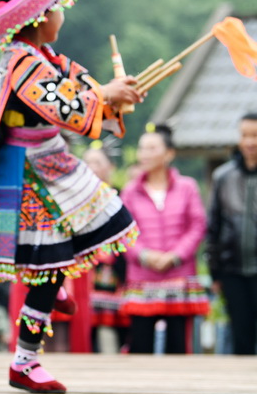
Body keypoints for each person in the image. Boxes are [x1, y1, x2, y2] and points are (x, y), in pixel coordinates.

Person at [0, 0, 142, 393]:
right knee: (51, 259)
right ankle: (24, 361)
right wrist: (105, 96)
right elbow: (63, 103)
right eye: (59, 8)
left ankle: (48, 288)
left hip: (48, 160)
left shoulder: (44, 54)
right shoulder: (23, 62)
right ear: (41, 16)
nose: (63, 14)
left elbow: (81, 89)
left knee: (72, 245)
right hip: (24, 170)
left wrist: (114, 96)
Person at [121, 124, 209, 354]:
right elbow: (122, 232)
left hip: (178, 277)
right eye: (142, 149)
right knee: (140, 347)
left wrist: (175, 256)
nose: (145, 154)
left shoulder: (187, 187)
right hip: (142, 277)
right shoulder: (130, 191)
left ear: (169, 153)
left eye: (152, 148)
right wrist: (145, 255)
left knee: (178, 347)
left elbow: (197, 225)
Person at [208, 112, 257, 355]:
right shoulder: (223, 177)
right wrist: (214, 271)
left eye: (255, 135)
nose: (250, 141)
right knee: (240, 334)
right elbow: (214, 226)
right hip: (232, 271)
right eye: (245, 135)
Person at [82, 144, 130, 352]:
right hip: (85, 272)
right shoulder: (76, 200)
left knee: (118, 332)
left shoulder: (121, 197)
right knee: (86, 332)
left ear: (110, 166)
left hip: (115, 272)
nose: (92, 167)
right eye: (87, 162)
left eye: (97, 162)